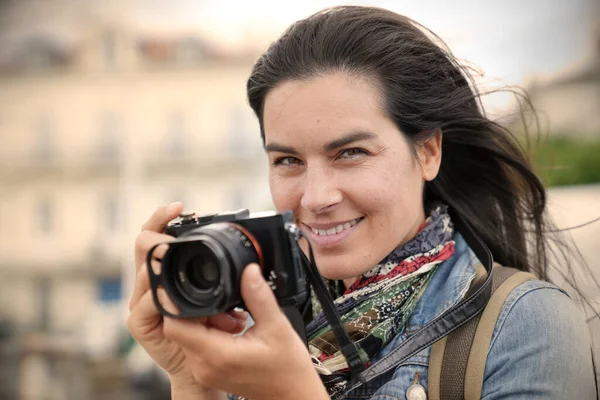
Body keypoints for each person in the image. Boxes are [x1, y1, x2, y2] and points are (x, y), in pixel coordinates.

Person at [127, 5, 597, 399]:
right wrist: (191, 381)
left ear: (429, 151)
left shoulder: (524, 326)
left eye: (351, 153)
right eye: (288, 160)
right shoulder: (249, 331)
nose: (315, 197)